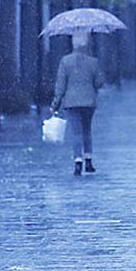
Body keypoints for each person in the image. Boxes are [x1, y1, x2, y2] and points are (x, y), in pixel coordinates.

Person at [52, 32, 105, 176]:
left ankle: (77, 162)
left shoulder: (65, 61)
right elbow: (99, 83)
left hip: (71, 102)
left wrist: (55, 103)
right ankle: (89, 161)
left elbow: (60, 85)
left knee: (76, 132)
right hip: (89, 102)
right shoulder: (93, 61)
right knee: (87, 130)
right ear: (87, 44)